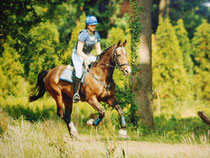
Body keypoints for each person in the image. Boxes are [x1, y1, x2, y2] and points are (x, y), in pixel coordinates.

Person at [72, 15, 102, 103]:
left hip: (87, 54)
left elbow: (98, 50)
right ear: (87, 25)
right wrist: (87, 59)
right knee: (79, 72)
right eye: (92, 25)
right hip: (77, 54)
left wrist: (100, 59)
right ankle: (76, 94)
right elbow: (79, 51)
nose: (94, 26)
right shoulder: (83, 34)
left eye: (95, 25)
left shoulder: (96, 34)